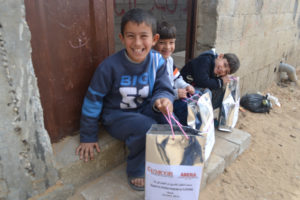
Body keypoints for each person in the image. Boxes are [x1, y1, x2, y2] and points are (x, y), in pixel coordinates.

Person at [75, 8, 174, 191]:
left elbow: (164, 88)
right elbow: (92, 101)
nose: (137, 43)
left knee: (170, 117)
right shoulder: (109, 67)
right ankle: (136, 169)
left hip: (144, 108)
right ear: (121, 38)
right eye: (130, 36)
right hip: (117, 116)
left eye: (144, 36)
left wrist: (163, 100)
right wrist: (88, 136)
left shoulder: (157, 61)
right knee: (146, 127)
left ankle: (163, 157)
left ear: (154, 39)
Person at [153, 21, 195, 125]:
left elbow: (177, 78)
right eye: (162, 42)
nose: (167, 47)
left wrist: (186, 86)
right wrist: (175, 93)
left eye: (171, 42)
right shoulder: (151, 63)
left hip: (174, 96)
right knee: (187, 110)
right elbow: (154, 91)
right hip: (164, 103)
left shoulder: (169, 60)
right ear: (153, 41)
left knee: (200, 98)